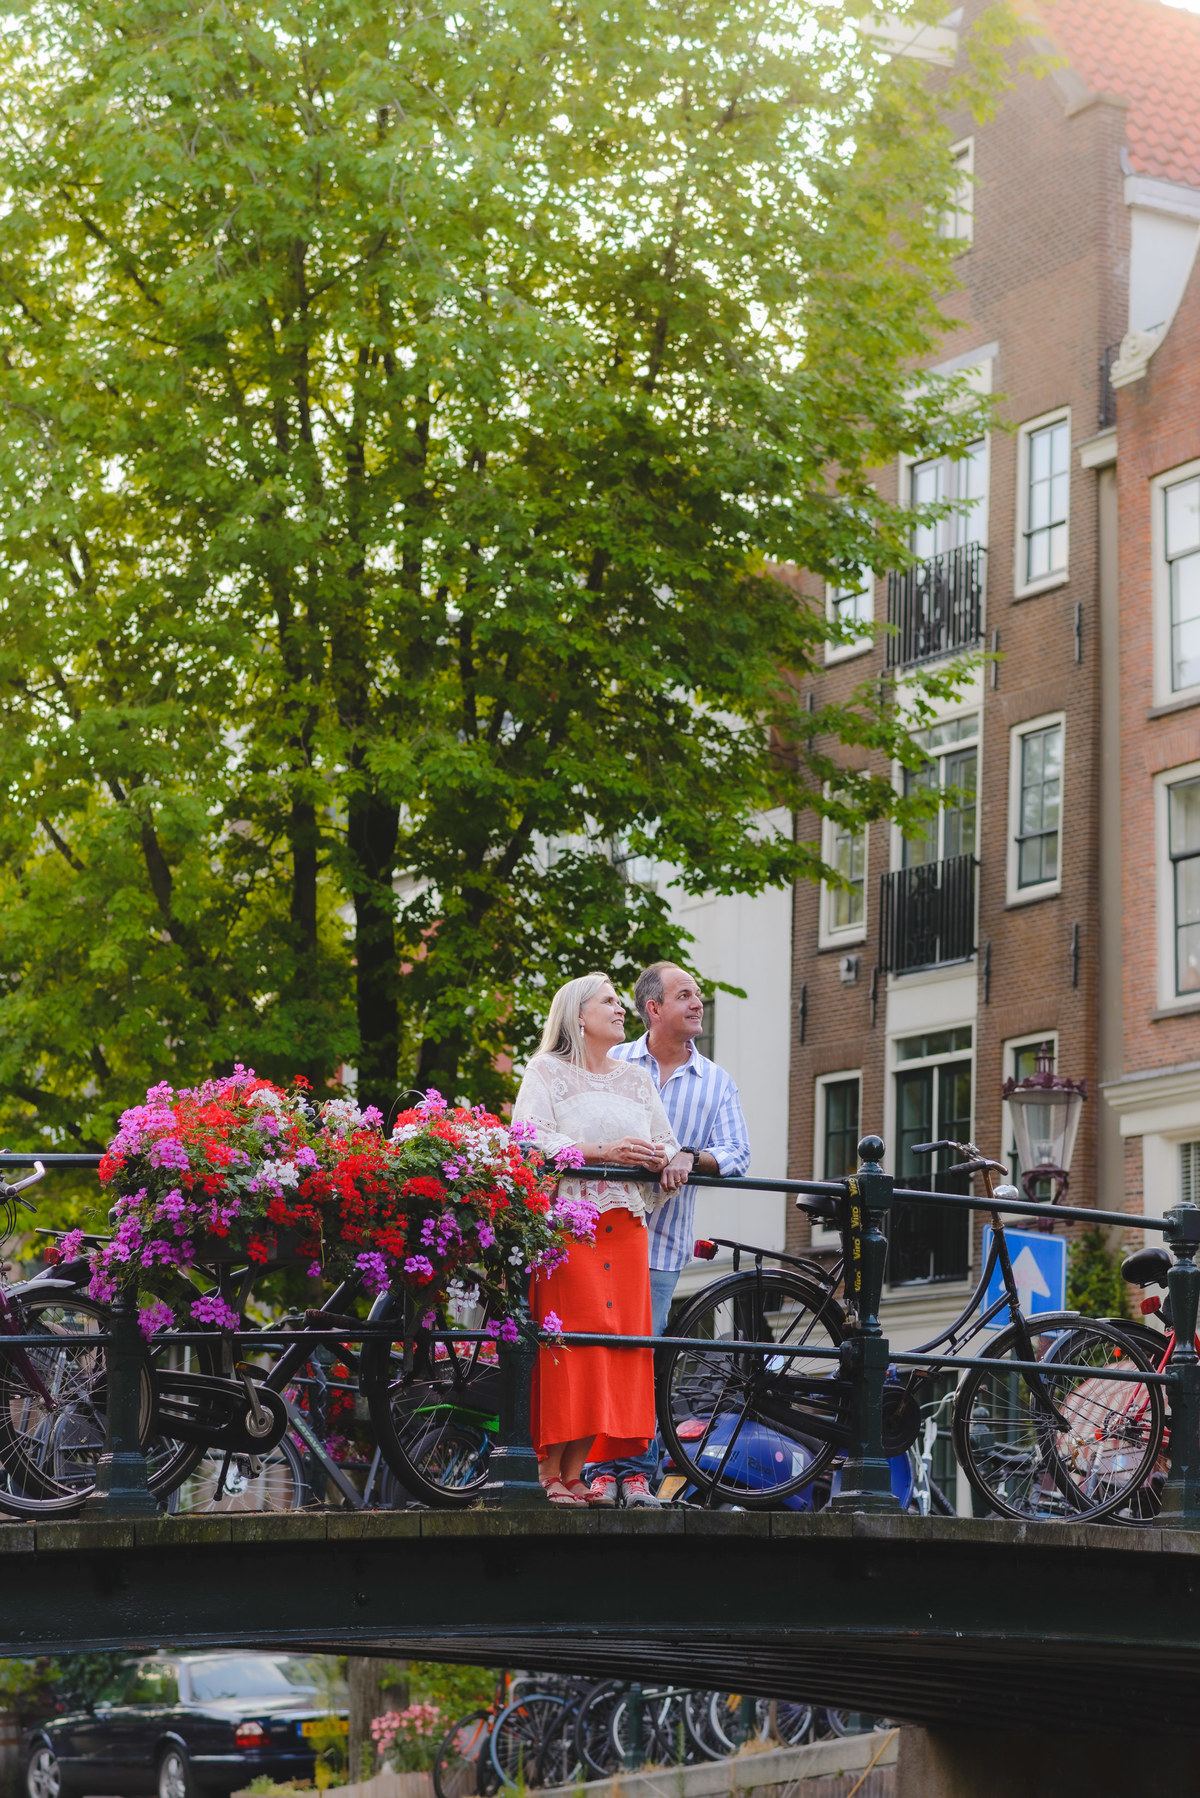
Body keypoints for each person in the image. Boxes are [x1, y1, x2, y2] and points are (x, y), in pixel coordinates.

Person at [511, 971, 687, 1506]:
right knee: (571, 1343)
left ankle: (578, 1471)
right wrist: (601, 1151)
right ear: (577, 1015)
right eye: (608, 1002)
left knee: (616, 1345)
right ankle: (549, 1471)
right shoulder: (545, 1070)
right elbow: (528, 1137)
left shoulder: (637, 1079)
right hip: (571, 1226)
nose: (619, 1009)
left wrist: (663, 1157)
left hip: (626, 1230)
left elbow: (667, 1141)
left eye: (618, 1001)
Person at [587, 961, 751, 1507]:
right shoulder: (612, 1064)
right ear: (653, 1009)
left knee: (644, 1357)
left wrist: (690, 1156)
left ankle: (635, 1472)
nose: (698, 1002)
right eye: (684, 995)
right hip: (600, 1235)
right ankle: (594, 1471)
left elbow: (737, 1154)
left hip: (660, 1243)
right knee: (599, 1352)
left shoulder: (717, 1083)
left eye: (699, 994)